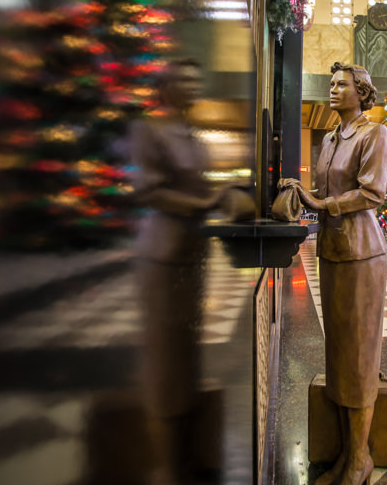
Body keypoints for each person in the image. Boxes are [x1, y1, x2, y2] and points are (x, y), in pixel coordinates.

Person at [281, 62, 387, 485]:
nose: (333, 88)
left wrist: (320, 203)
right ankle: (347, 454)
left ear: (361, 92)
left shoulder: (374, 134)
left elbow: (371, 193)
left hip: (363, 254)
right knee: (341, 357)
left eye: (342, 84)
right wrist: (302, 193)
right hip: (332, 251)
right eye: (330, 83)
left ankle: (360, 459)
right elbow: (324, 194)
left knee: (360, 358)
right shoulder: (329, 137)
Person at [130, 59, 221, 485]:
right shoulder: (149, 129)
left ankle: (184, 458)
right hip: (162, 256)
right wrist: (203, 205)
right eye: (183, 78)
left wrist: (222, 201)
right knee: (165, 360)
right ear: (165, 86)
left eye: (195, 77)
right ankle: (165, 466)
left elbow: (203, 189)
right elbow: (150, 189)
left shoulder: (194, 134)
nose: (192, 84)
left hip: (191, 256)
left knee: (186, 358)